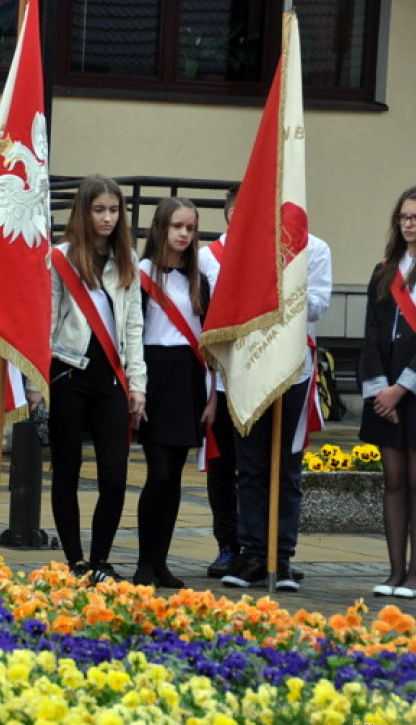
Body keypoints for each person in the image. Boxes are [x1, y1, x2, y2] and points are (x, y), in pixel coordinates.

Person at [27, 175, 146, 582]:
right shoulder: (60, 258)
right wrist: (36, 383)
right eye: (99, 210)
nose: (108, 218)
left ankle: (101, 558)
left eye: (114, 210)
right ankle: (75, 559)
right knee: (67, 470)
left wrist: (138, 385)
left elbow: (134, 327)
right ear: (84, 212)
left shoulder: (125, 260)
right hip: (67, 373)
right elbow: (45, 322)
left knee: (115, 476)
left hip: (111, 379)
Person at [223, 233, 332, 592]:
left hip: (293, 370)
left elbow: (317, 304)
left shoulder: (313, 248)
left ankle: (281, 557)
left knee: (287, 469)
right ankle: (253, 552)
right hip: (252, 367)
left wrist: (281, 285)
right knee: (251, 467)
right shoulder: (243, 243)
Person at [360, 184, 416, 600]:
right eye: (403, 217)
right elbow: (373, 333)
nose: (408, 224)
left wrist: (403, 388)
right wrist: (382, 390)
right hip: (386, 391)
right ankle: (394, 572)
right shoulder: (384, 270)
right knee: (392, 478)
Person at [134, 197, 215, 588]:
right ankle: (144, 562)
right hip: (153, 374)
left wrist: (213, 395)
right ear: (161, 227)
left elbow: (211, 344)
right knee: (158, 472)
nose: (184, 234)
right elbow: (130, 335)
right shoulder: (140, 274)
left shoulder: (200, 280)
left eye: (190, 228)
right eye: (177, 226)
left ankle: (161, 563)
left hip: (188, 378)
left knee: (174, 477)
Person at [198, 185, 240, 578]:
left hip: (262, 377)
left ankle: (261, 546)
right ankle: (227, 544)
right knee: (222, 466)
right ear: (227, 212)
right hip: (221, 379)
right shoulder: (207, 258)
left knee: (257, 468)